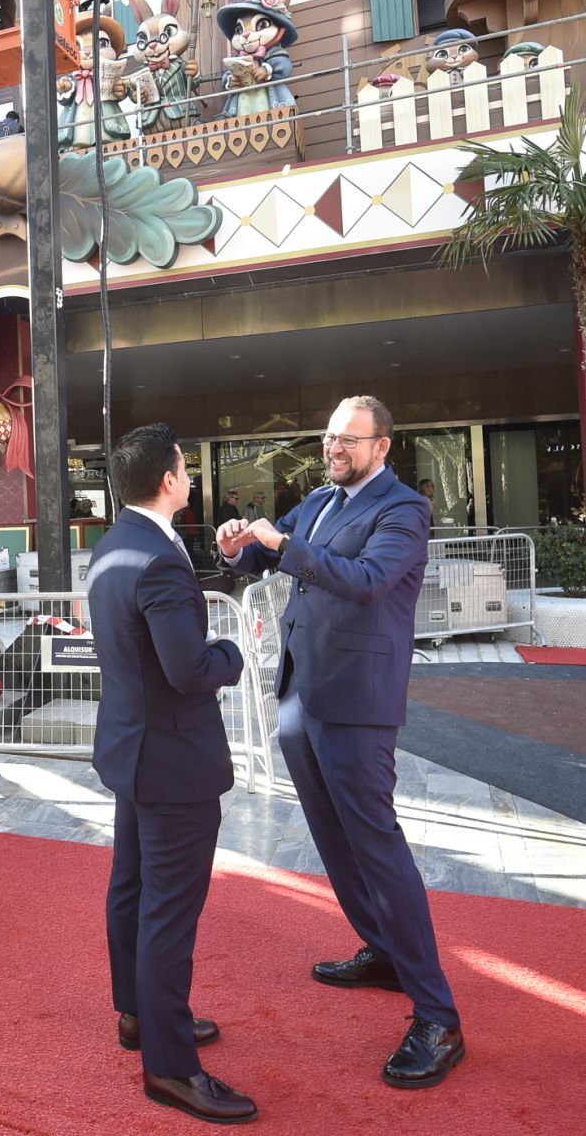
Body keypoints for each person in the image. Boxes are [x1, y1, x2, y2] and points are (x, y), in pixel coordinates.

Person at [217, 396, 466, 1090]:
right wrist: (238, 546)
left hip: (357, 700)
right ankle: (383, 952)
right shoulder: (319, 500)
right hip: (302, 692)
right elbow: (269, 560)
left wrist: (281, 544)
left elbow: (365, 581)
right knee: (333, 838)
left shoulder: (403, 510)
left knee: (377, 845)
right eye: (329, 438)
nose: (334, 448)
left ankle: (438, 1016)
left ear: (382, 446)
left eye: (348, 440)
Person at [86, 423, 257, 1124]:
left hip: (133, 749)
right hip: (173, 758)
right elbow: (189, 666)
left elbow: (164, 624)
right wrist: (234, 652)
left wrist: (226, 571)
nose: (189, 475)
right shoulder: (156, 558)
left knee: (131, 888)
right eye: (185, 466)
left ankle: (140, 1016)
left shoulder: (115, 546)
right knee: (167, 910)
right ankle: (170, 1066)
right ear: (169, 482)